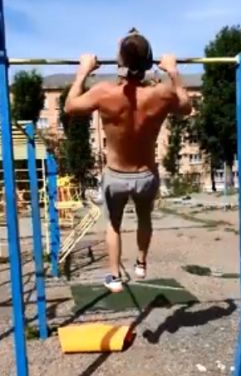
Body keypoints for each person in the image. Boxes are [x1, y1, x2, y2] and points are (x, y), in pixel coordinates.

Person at [64, 29, 192, 292]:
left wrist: (83, 72)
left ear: (120, 63)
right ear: (148, 64)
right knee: (145, 218)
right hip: (145, 175)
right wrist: (173, 71)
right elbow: (186, 107)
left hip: (116, 176)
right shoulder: (161, 94)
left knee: (114, 224)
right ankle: (141, 264)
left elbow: (70, 106)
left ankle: (114, 277)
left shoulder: (103, 92)